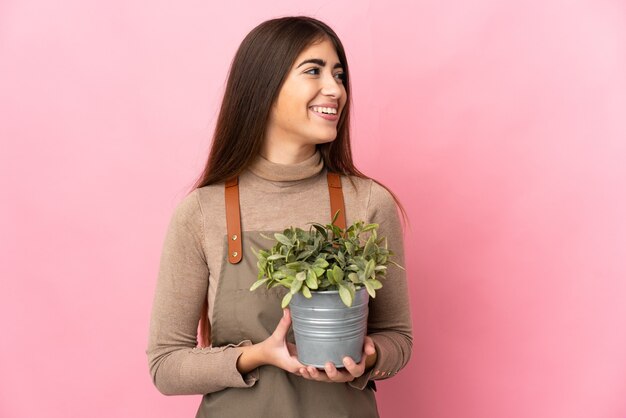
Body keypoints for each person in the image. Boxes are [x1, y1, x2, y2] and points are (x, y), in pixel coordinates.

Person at [146, 15, 413, 418]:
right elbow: (165, 365)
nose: (335, 89)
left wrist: (371, 355)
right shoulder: (202, 212)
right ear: (263, 87)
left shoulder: (368, 203)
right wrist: (257, 356)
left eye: (339, 75)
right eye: (314, 71)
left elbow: (399, 338)